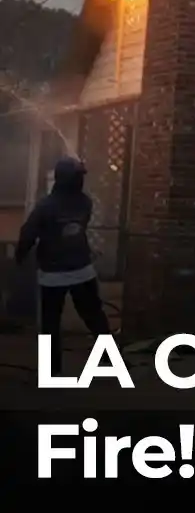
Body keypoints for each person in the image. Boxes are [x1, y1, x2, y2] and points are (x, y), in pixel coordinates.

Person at [15, 156, 111, 375]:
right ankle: (109, 358)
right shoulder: (85, 202)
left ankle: (51, 370)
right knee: (94, 316)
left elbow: (28, 234)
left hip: (52, 274)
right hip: (82, 270)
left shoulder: (45, 206)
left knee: (50, 323)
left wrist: (20, 257)